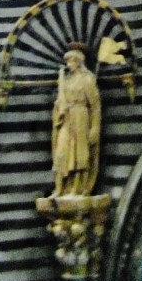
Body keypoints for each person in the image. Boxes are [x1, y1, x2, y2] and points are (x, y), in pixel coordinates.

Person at [51, 48, 101, 196]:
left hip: (81, 116)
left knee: (80, 153)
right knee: (61, 152)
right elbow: (61, 100)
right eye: (67, 61)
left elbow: (95, 106)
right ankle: (59, 189)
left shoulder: (88, 79)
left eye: (71, 61)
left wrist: (95, 128)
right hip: (67, 118)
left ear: (79, 62)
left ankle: (77, 189)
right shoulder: (66, 80)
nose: (68, 64)